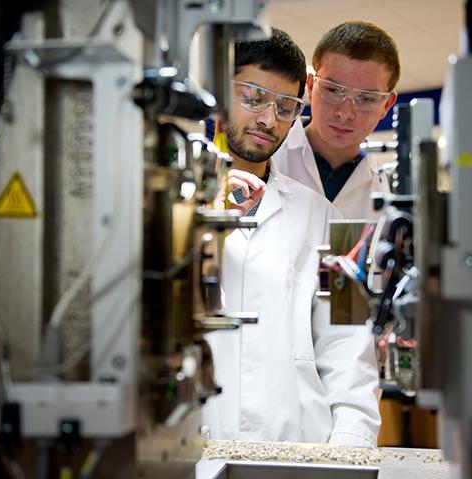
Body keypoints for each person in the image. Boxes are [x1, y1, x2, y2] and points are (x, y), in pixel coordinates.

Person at [202, 28, 381, 448]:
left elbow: (351, 349)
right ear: (216, 94)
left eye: (286, 106)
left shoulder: (333, 221)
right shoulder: (170, 210)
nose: (269, 119)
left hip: (300, 452)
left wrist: (349, 452)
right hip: (190, 451)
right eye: (252, 97)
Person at [272, 21, 400, 219]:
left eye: (366, 98)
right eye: (332, 90)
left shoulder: (388, 192)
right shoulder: (267, 159)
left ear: (386, 105)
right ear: (311, 86)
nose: (345, 113)